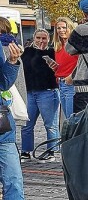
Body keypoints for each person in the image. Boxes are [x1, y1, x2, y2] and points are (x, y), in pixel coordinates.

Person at [1, 19, 48, 200]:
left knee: (13, 179)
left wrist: (11, 62)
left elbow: (4, 83)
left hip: (3, 127)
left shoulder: (5, 48)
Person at [19, 29, 60, 161]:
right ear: (34, 38)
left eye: (44, 38)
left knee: (50, 124)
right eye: (38, 38)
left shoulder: (52, 52)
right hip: (30, 92)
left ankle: (51, 151)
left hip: (47, 91)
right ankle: (25, 151)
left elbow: (57, 70)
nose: (41, 41)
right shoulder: (26, 52)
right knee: (27, 124)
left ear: (48, 39)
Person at [52, 17, 78, 120]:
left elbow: (82, 62)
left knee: (72, 118)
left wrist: (71, 76)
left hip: (71, 84)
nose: (61, 30)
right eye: (58, 28)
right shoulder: (58, 46)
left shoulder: (75, 44)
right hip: (61, 83)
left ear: (70, 28)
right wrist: (55, 68)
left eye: (64, 27)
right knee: (68, 118)